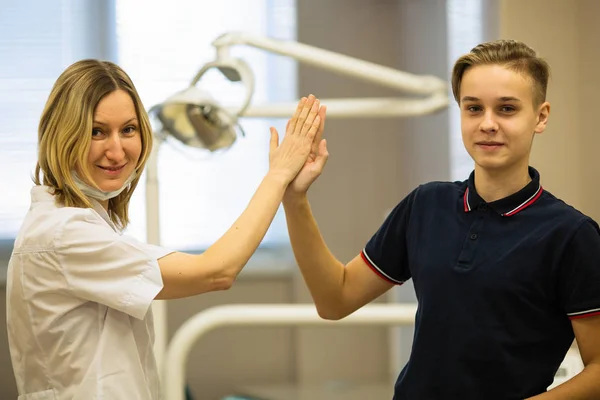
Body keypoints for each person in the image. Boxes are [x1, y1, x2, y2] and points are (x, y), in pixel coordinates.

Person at [282, 39, 600, 399]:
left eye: (507, 109)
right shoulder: (425, 205)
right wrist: (295, 198)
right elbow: (335, 299)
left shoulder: (571, 235)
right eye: (474, 108)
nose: (488, 123)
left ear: (540, 116)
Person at [6, 59, 326, 400]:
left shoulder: (81, 224)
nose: (116, 151)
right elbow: (216, 272)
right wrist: (277, 176)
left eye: (128, 129)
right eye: (96, 131)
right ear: (63, 135)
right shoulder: (63, 233)